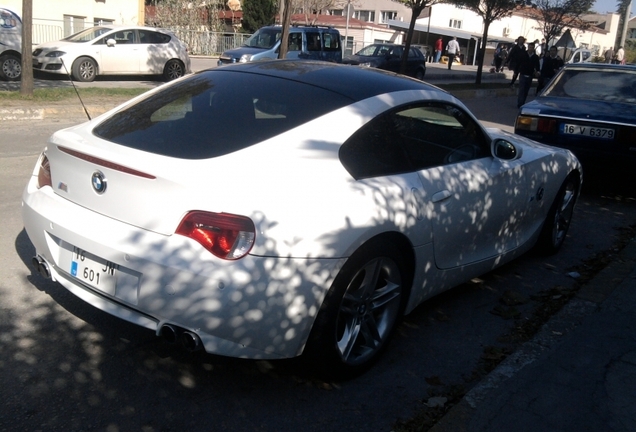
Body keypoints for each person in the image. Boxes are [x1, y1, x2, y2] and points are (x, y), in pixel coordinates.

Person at [516, 42, 540, 108]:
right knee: (522, 89)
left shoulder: (535, 57)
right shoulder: (523, 54)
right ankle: (520, 103)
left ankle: (523, 102)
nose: (531, 49)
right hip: (523, 74)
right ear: (528, 47)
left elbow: (537, 66)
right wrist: (517, 71)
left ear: (533, 48)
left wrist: (537, 72)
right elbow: (518, 63)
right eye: (530, 47)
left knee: (526, 90)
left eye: (532, 48)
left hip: (530, 75)